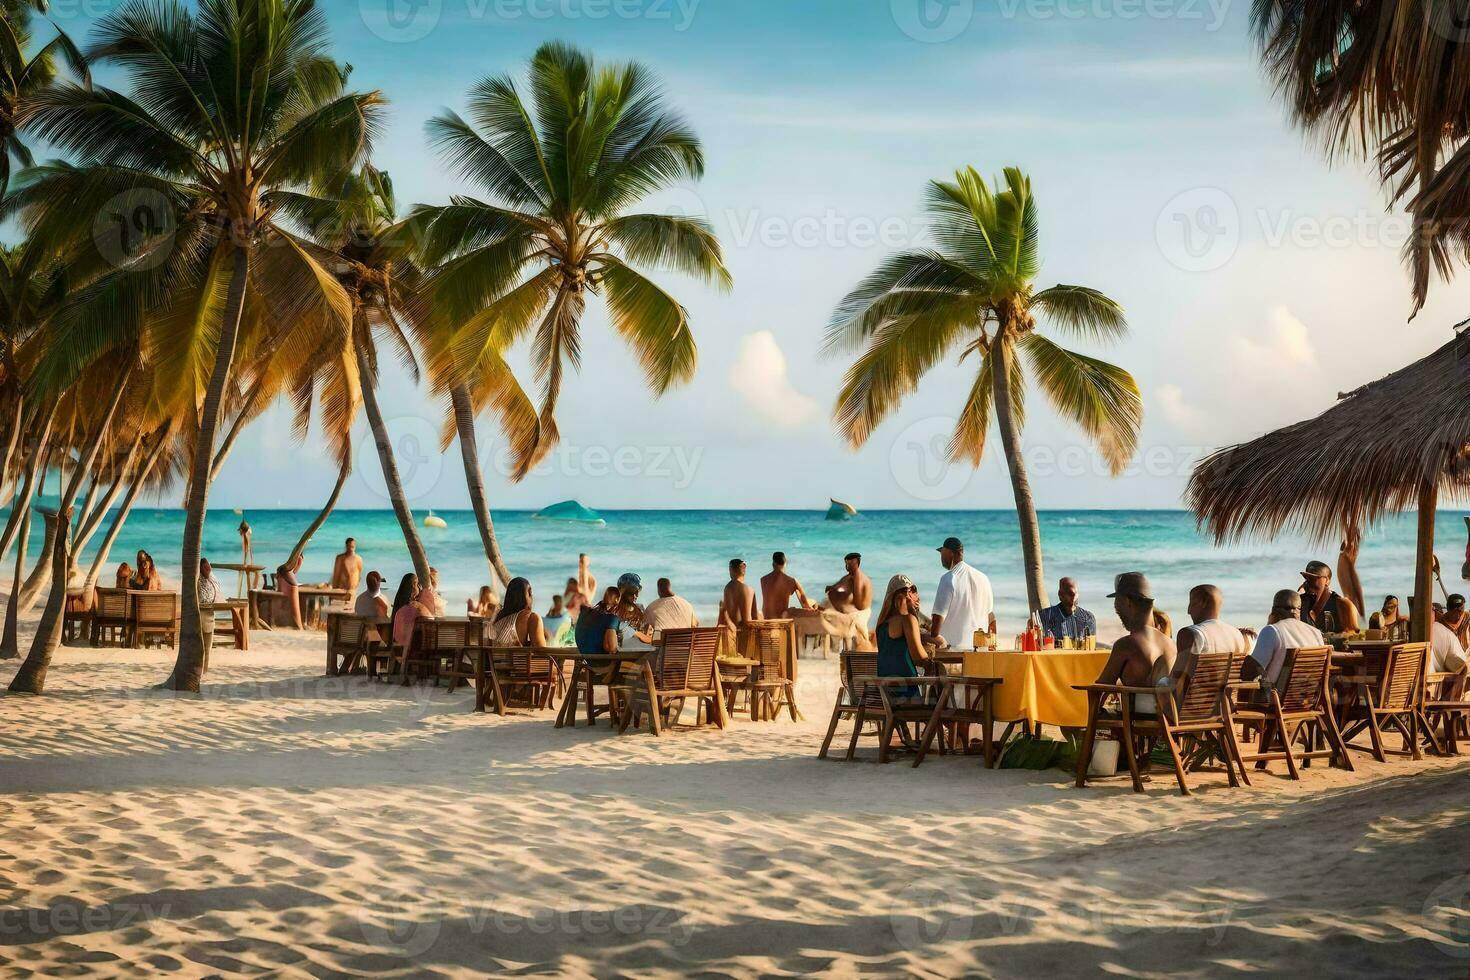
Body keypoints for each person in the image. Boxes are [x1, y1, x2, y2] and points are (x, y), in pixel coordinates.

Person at [1092, 572, 1176, 718]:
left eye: (1117, 601)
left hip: (1139, 718)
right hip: (1168, 716)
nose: (1116, 609)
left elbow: (1101, 687)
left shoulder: (1126, 645)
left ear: (1128, 602)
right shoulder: (1171, 644)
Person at [1242, 590, 1324, 688]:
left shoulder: (1272, 630)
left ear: (1273, 610)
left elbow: (1248, 673)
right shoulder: (1316, 633)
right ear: (1299, 610)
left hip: (1274, 698)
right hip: (1309, 698)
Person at [875, 574, 935, 703]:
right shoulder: (907, 620)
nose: (918, 597)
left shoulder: (881, 625)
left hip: (885, 694)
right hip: (907, 694)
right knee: (941, 696)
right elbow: (918, 657)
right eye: (914, 591)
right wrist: (931, 664)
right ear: (907, 594)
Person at [1172, 585, 1247, 687]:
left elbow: (1177, 680)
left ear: (1203, 603)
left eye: (1192, 604)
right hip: (1226, 702)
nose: (1188, 611)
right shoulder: (1237, 635)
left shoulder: (1191, 634)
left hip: (1194, 701)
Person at [928, 537, 995, 649]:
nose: (941, 558)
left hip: (952, 651)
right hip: (979, 649)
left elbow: (937, 620)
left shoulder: (949, 578)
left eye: (942, 553)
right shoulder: (983, 578)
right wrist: (991, 645)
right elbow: (991, 617)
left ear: (950, 553)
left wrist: (930, 635)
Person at [1298, 559, 1360, 633]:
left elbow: (1353, 636)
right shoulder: (1300, 602)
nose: (1307, 582)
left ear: (1326, 580)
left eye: (1313, 578)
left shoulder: (1343, 605)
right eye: (1306, 577)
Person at [1038, 577, 1097, 645]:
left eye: (1075, 594)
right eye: (1069, 593)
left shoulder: (1088, 618)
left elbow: (1091, 646)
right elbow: (1038, 645)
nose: (1073, 597)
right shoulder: (1045, 616)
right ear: (1060, 595)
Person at [491, 578, 549, 647]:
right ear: (529, 592)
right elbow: (542, 654)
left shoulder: (498, 617)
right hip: (511, 657)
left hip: (493, 657)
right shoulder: (531, 617)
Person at [760, 552, 816, 619]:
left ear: (773, 563)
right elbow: (805, 604)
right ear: (785, 563)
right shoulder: (791, 581)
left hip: (766, 618)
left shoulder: (763, 579)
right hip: (782, 619)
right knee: (813, 603)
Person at [574, 586, 622, 655]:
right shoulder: (612, 618)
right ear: (617, 599)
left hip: (585, 658)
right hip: (601, 661)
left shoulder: (587, 613)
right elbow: (612, 648)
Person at [720, 559, 759, 630]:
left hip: (733, 632)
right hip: (748, 632)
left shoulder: (728, 588)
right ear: (744, 571)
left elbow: (726, 617)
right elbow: (755, 617)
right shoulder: (751, 590)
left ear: (731, 570)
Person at [275, 553, 304, 629]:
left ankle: (298, 624)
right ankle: (298, 625)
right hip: (288, 589)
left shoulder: (282, 573)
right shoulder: (287, 575)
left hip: (285, 593)